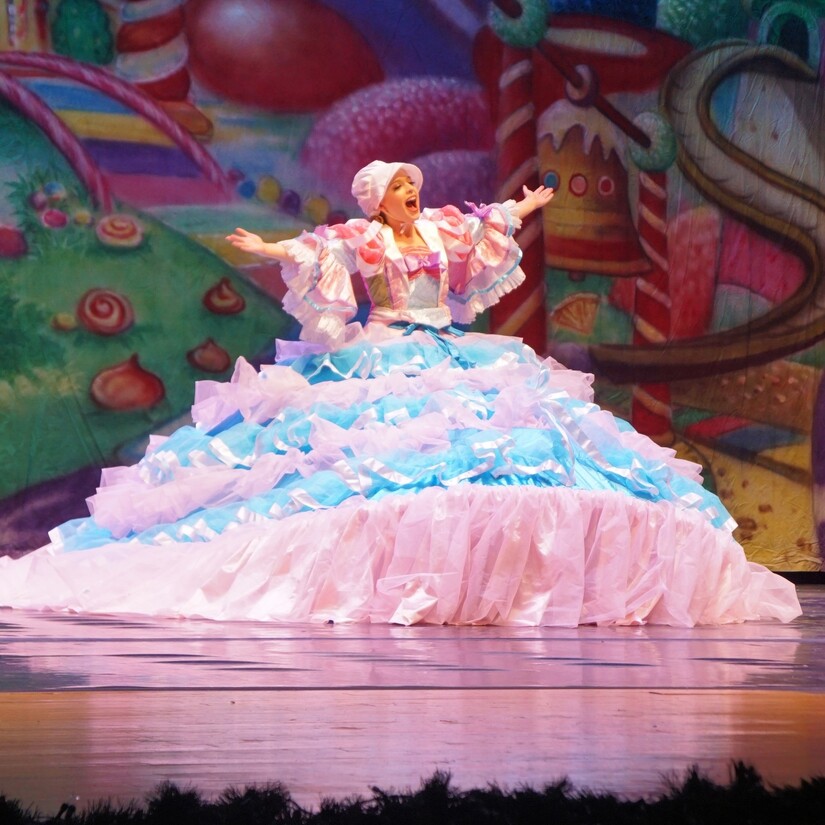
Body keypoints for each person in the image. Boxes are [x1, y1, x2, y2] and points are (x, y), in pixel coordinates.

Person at [0, 160, 801, 626]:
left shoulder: (441, 228)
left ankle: (507, 582)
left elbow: (485, 224)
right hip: (382, 347)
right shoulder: (365, 237)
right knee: (379, 463)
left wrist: (524, 206)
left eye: (414, 186)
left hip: (449, 347)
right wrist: (267, 245)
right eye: (401, 188)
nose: (413, 194)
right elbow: (314, 248)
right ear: (379, 198)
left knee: (507, 445)